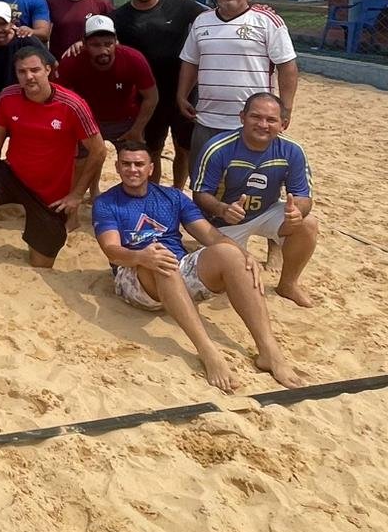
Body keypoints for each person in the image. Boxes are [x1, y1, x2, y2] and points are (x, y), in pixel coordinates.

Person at [94, 141, 301, 392]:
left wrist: (244, 255)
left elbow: (211, 236)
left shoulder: (172, 197)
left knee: (231, 254)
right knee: (161, 259)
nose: (132, 170)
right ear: (117, 167)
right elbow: (112, 250)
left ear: (151, 168)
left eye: (139, 164)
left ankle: (269, 351)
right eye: (126, 164)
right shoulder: (107, 202)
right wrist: (140, 257)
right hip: (136, 273)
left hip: (177, 267)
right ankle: (207, 350)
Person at [0, 48, 104, 272]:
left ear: (48, 70)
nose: (29, 76)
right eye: (22, 72)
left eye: (35, 70)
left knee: (41, 263)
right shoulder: (8, 96)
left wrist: (77, 194)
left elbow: (99, 151)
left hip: (50, 194)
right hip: (13, 175)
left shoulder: (72, 104)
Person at [191, 92, 318, 307]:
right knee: (228, 281)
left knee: (308, 224)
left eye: (271, 120)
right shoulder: (218, 148)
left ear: (283, 124)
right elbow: (200, 194)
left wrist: (297, 211)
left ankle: (288, 284)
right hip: (223, 223)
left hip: (266, 211)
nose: (263, 124)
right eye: (255, 117)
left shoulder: (292, 150)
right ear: (242, 117)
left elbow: (303, 196)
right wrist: (222, 209)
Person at [177, 0, 299, 167]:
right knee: (202, 179)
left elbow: (287, 66)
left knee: (250, 179)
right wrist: (182, 95)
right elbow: (190, 62)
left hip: (252, 123)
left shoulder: (267, 21)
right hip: (207, 119)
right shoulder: (202, 21)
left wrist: (286, 108)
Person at [112, 0, 206, 186]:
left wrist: (256, 9)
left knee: (184, 147)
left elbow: (218, 16)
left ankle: (177, 190)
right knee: (152, 148)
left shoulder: (181, 6)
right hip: (146, 96)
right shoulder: (119, 18)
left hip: (183, 91)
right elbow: (99, 40)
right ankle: (154, 192)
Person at [56, 16, 158, 186]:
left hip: (125, 120)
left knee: (133, 160)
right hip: (88, 120)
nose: (103, 50)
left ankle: (133, 194)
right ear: (84, 43)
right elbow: (61, 98)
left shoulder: (133, 58)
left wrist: (137, 129)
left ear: (116, 41)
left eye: (108, 44)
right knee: (82, 161)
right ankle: (91, 190)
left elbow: (151, 96)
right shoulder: (71, 61)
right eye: (96, 45)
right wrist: (72, 128)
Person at [0, 2, 55, 124]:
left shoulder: (27, 41)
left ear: (12, 23)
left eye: (3, 24)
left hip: (29, 107)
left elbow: (52, 66)